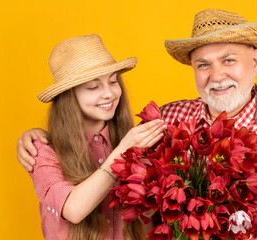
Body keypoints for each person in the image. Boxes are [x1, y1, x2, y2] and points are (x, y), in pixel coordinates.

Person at [17, 9, 257, 240]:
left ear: (255, 62)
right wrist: (38, 137)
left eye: (228, 60)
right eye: (203, 64)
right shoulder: (169, 118)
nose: (216, 76)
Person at [22, 34, 165, 240]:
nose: (109, 94)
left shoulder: (134, 141)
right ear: (68, 96)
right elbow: (74, 210)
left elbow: (144, 226)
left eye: (113, 81)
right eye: (93, 86)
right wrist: (123, 152)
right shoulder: (42, 152)